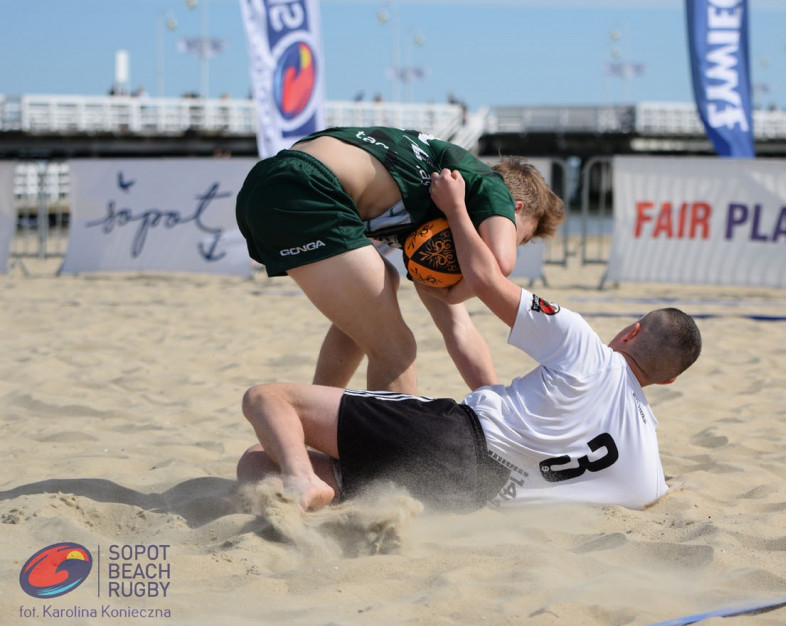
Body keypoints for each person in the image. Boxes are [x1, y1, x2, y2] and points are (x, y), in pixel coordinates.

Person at [235, 168, 702, 513]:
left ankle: (302, 479)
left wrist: (456, 208)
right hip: (471, 497)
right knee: (258, 462)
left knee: (267, 401)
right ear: (669, 381)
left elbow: (483, 276)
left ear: (631, 332)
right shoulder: (647, 458)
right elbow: (652, 496)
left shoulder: (586, 348)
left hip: (455, 438)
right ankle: (324, 484)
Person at [235, 127, 564, 395]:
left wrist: (496, 404)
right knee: (397, 350)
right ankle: (390, 471)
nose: (514, 244)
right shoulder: (483, 186)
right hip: (308, 186)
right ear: (515, 208)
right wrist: (457, 212)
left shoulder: (431, 228)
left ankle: (313, 422)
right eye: (521, 237)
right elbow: (500, 264)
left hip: (272, 182)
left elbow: (458, 330)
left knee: (374, 303)